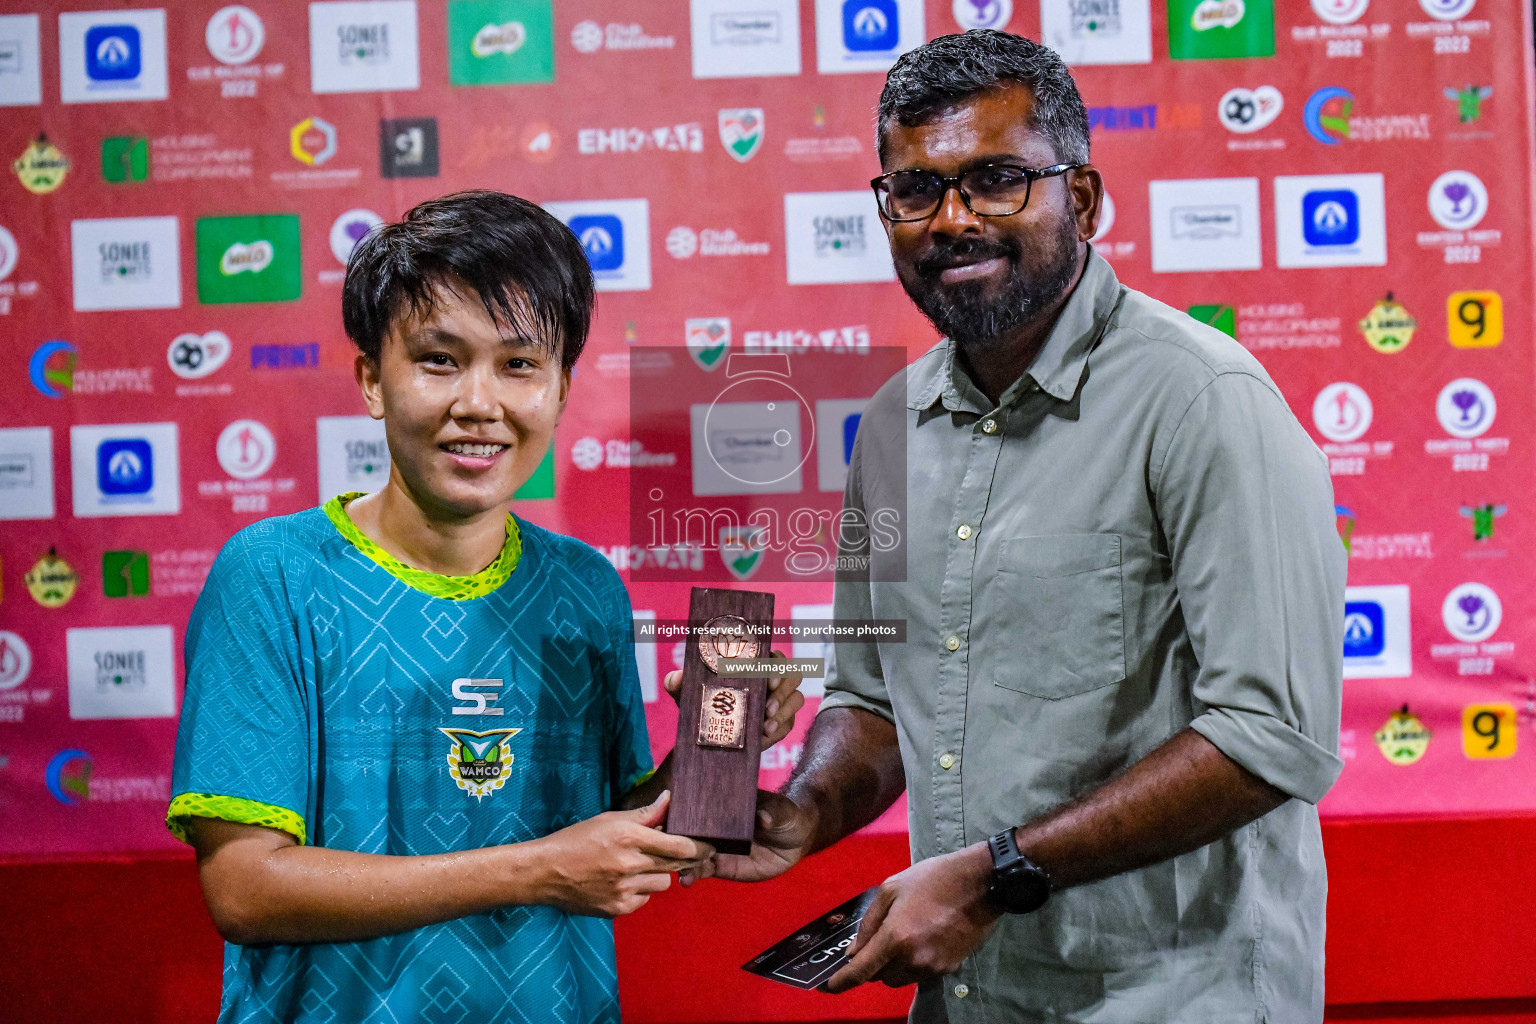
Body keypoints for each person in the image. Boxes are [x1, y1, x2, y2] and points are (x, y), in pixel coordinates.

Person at [684, 31, 1346, 1023]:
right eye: (916, 190)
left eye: (996, 181)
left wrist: (994, 875)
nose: (952, 220)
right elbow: (872, 697)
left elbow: (1271, 737)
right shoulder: (895, 426)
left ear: (1078, 198)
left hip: (1173, 1000)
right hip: (974, 999)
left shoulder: (1204, 399)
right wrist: (803, 809)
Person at [165, 190, 804, 1024]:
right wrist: (538, 869)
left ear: (562, 386)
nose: (480, 404)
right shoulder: (274, 576)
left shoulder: (584, 588)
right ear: (370, 379)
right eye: (438, 359)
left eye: (519, 364)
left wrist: (711, 754)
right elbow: (246, 889)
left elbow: (605, 835)